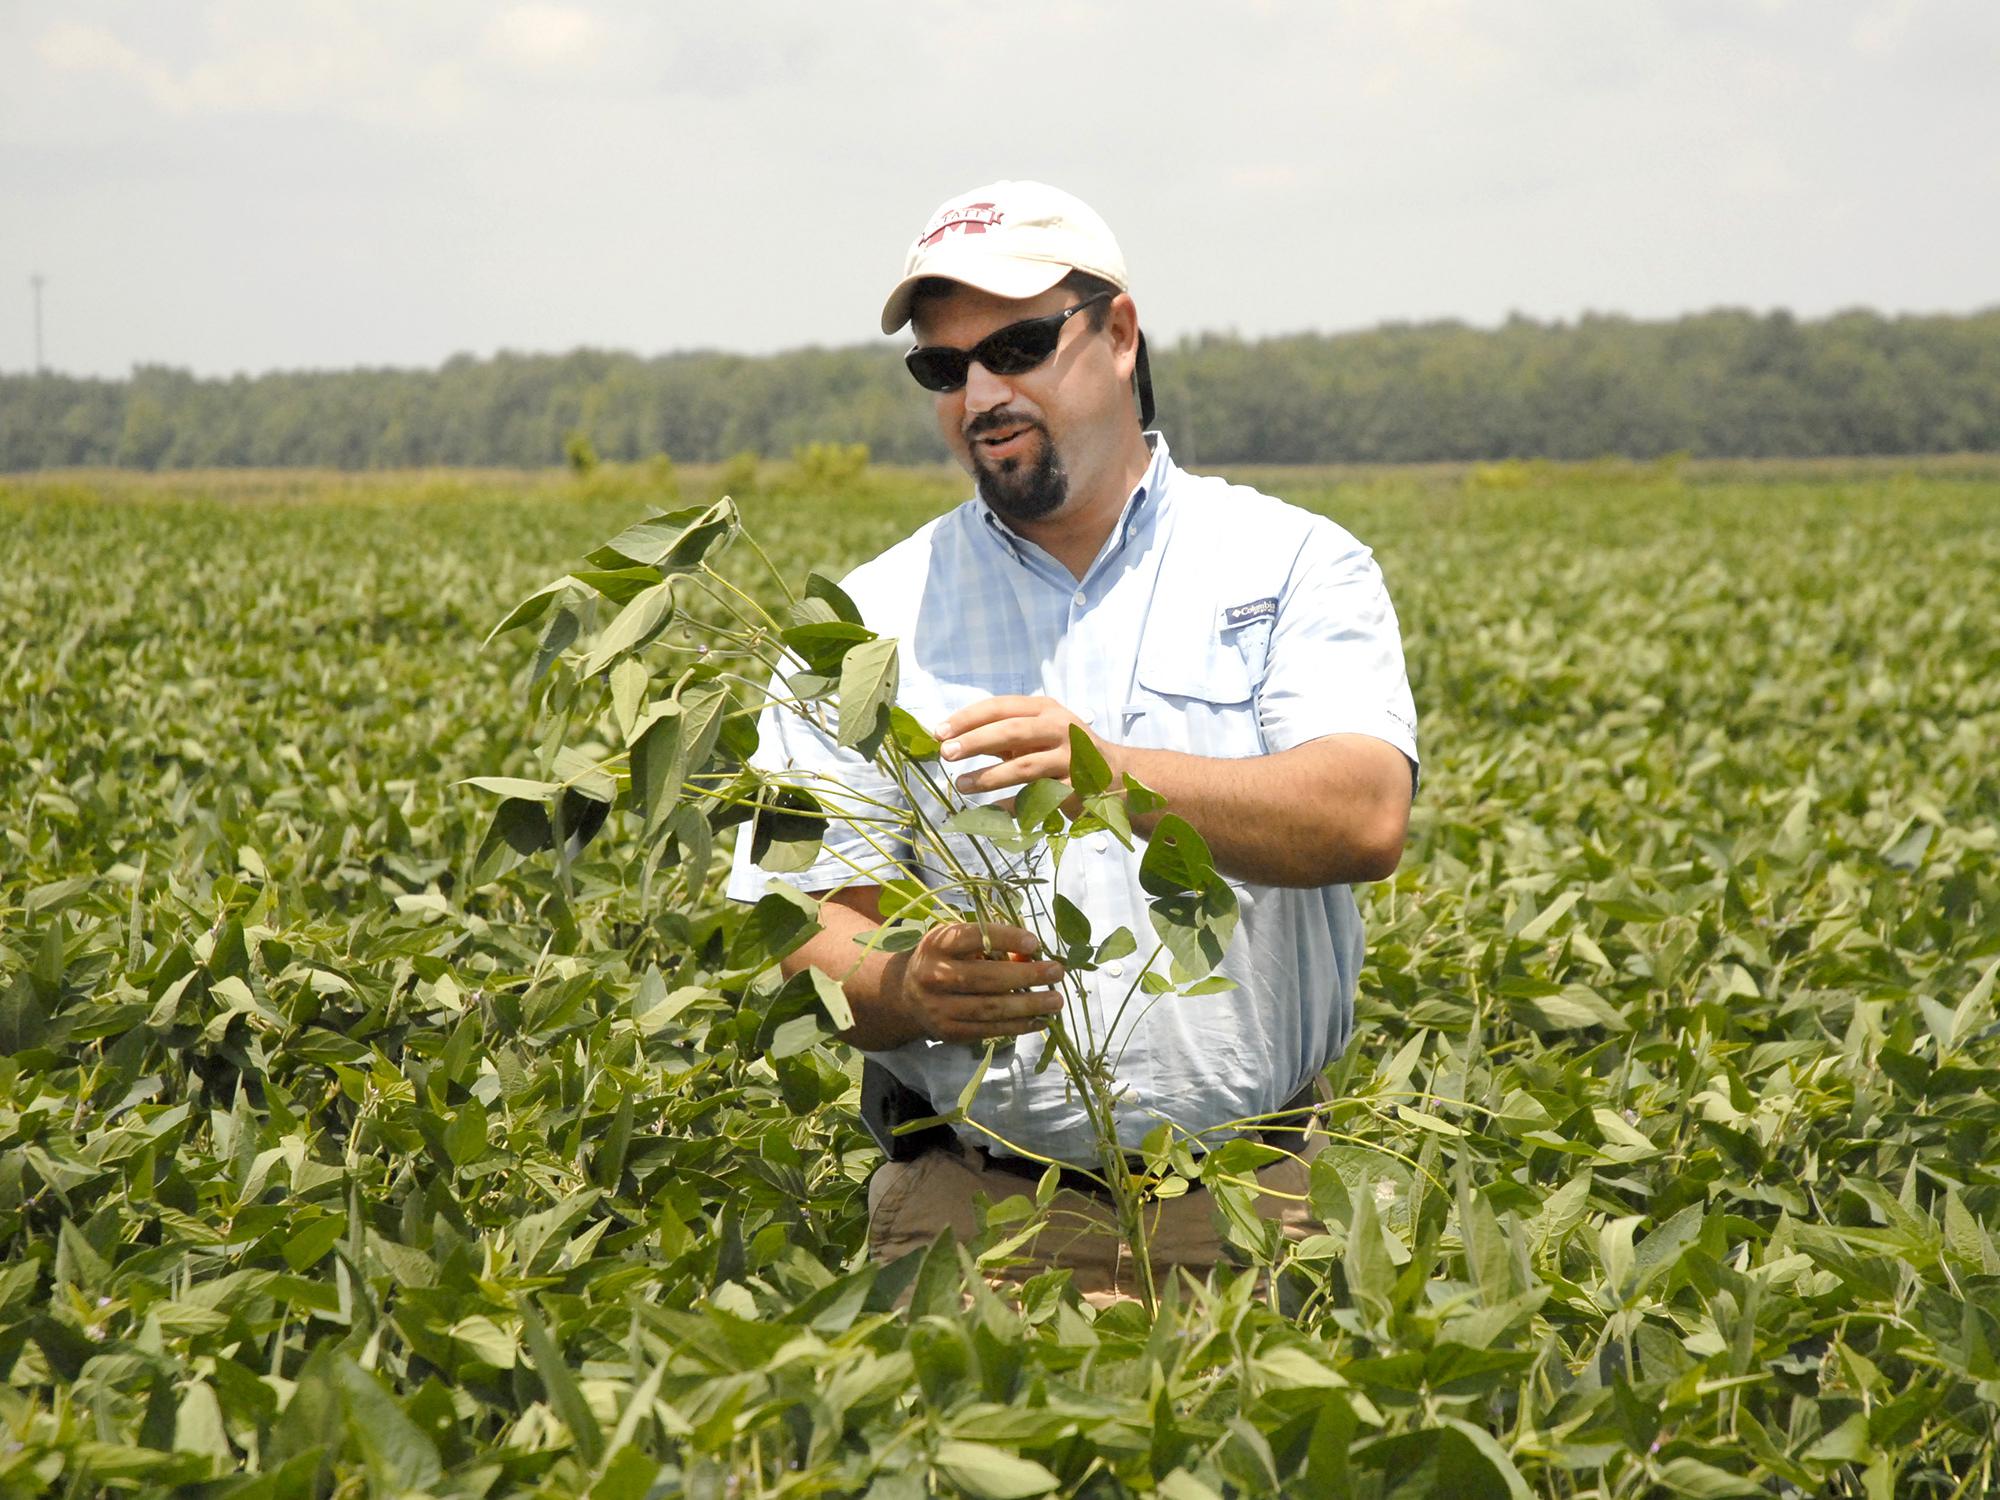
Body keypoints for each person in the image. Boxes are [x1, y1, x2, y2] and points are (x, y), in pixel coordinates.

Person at [726, 180, 1418, 1302]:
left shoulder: (1290, 562)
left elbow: (1360, 813)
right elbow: (797, 928)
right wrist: (906, 990)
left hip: (1259, 1213)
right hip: (973, 1226)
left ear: (1120, 335)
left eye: (1016, 344)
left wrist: (1110, 773)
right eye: (942, 369)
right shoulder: (859, 622)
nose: (981, 392)